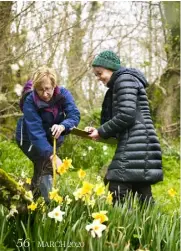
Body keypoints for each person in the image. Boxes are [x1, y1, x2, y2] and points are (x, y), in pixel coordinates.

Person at [85, 50, 163, 205]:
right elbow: (124, 116)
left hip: (137, 141)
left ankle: (122, 226)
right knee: (141, 190)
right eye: (96, 75)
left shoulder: (124, 80)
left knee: (117, 184)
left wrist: (101, 131)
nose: (99, 78)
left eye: (100, 73)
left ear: (111, 68)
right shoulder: (124, 81)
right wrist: (100, 132)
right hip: (140, 141)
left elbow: (126, 115)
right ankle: (147, 226)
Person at [16, 66, 80, 202]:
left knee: (42, 168)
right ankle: (49, 203)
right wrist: (52, 155)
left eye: (48, 89)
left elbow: (74, 115)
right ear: (35, 88)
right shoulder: (30, 101)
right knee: (46, 163)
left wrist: (63, 125)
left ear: (54, 85)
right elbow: (36, 132)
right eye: (40, 90)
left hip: (51, 139)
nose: (45, 94)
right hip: (28, 138)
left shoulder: (63, 94)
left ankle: (30, 201)